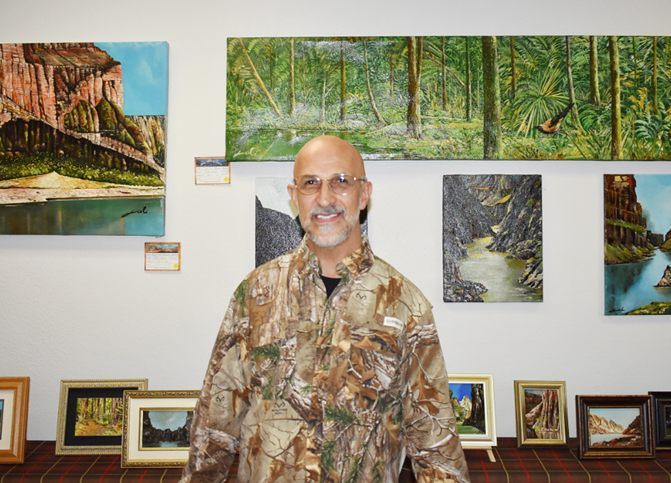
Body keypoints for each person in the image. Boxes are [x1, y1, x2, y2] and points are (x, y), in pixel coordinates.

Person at [181, 135, 470, 483]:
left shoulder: (405, 304)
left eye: (341, 182)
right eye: (311, 183)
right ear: (294, 196)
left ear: (364, 194)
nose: (325, 198)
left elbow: (436, 449)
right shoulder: (256, 294)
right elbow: (214, 429)